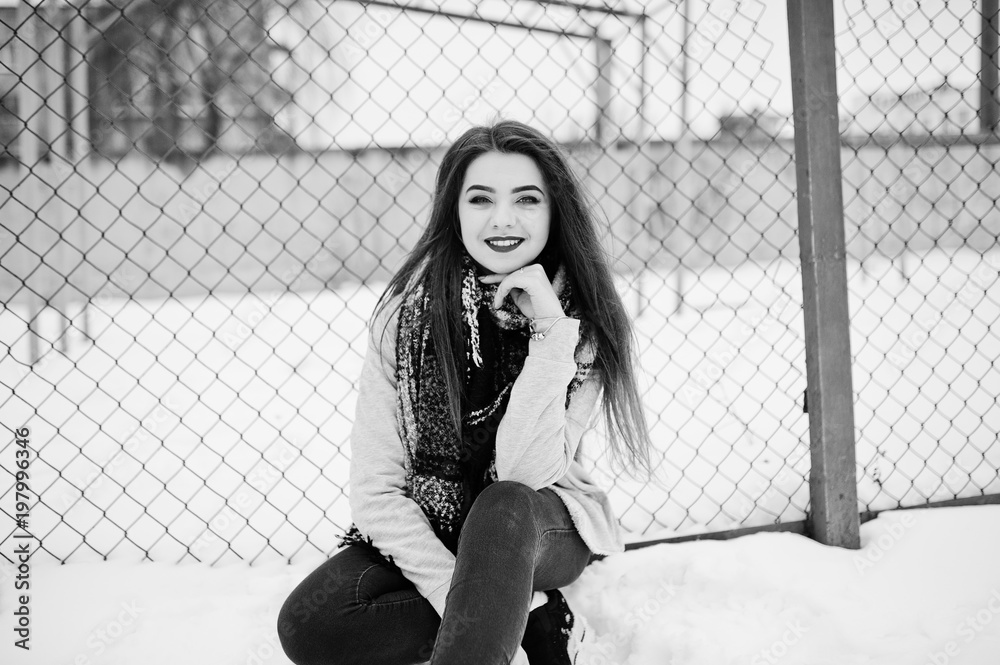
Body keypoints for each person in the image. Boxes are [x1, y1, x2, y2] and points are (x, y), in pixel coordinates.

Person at [277, 119, 653, 665]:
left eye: (526, 199)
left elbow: (524, 473)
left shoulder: (579, 321)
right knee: (312, 624)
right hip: (436, 525)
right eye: (480, 199)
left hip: (539, 525)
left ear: (555, 211)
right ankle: (533, 616)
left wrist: (550, 335)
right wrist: (462, 595)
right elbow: (376, 491)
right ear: (454, 212)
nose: (502, 219)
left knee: (502, 506)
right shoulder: (405, 318)